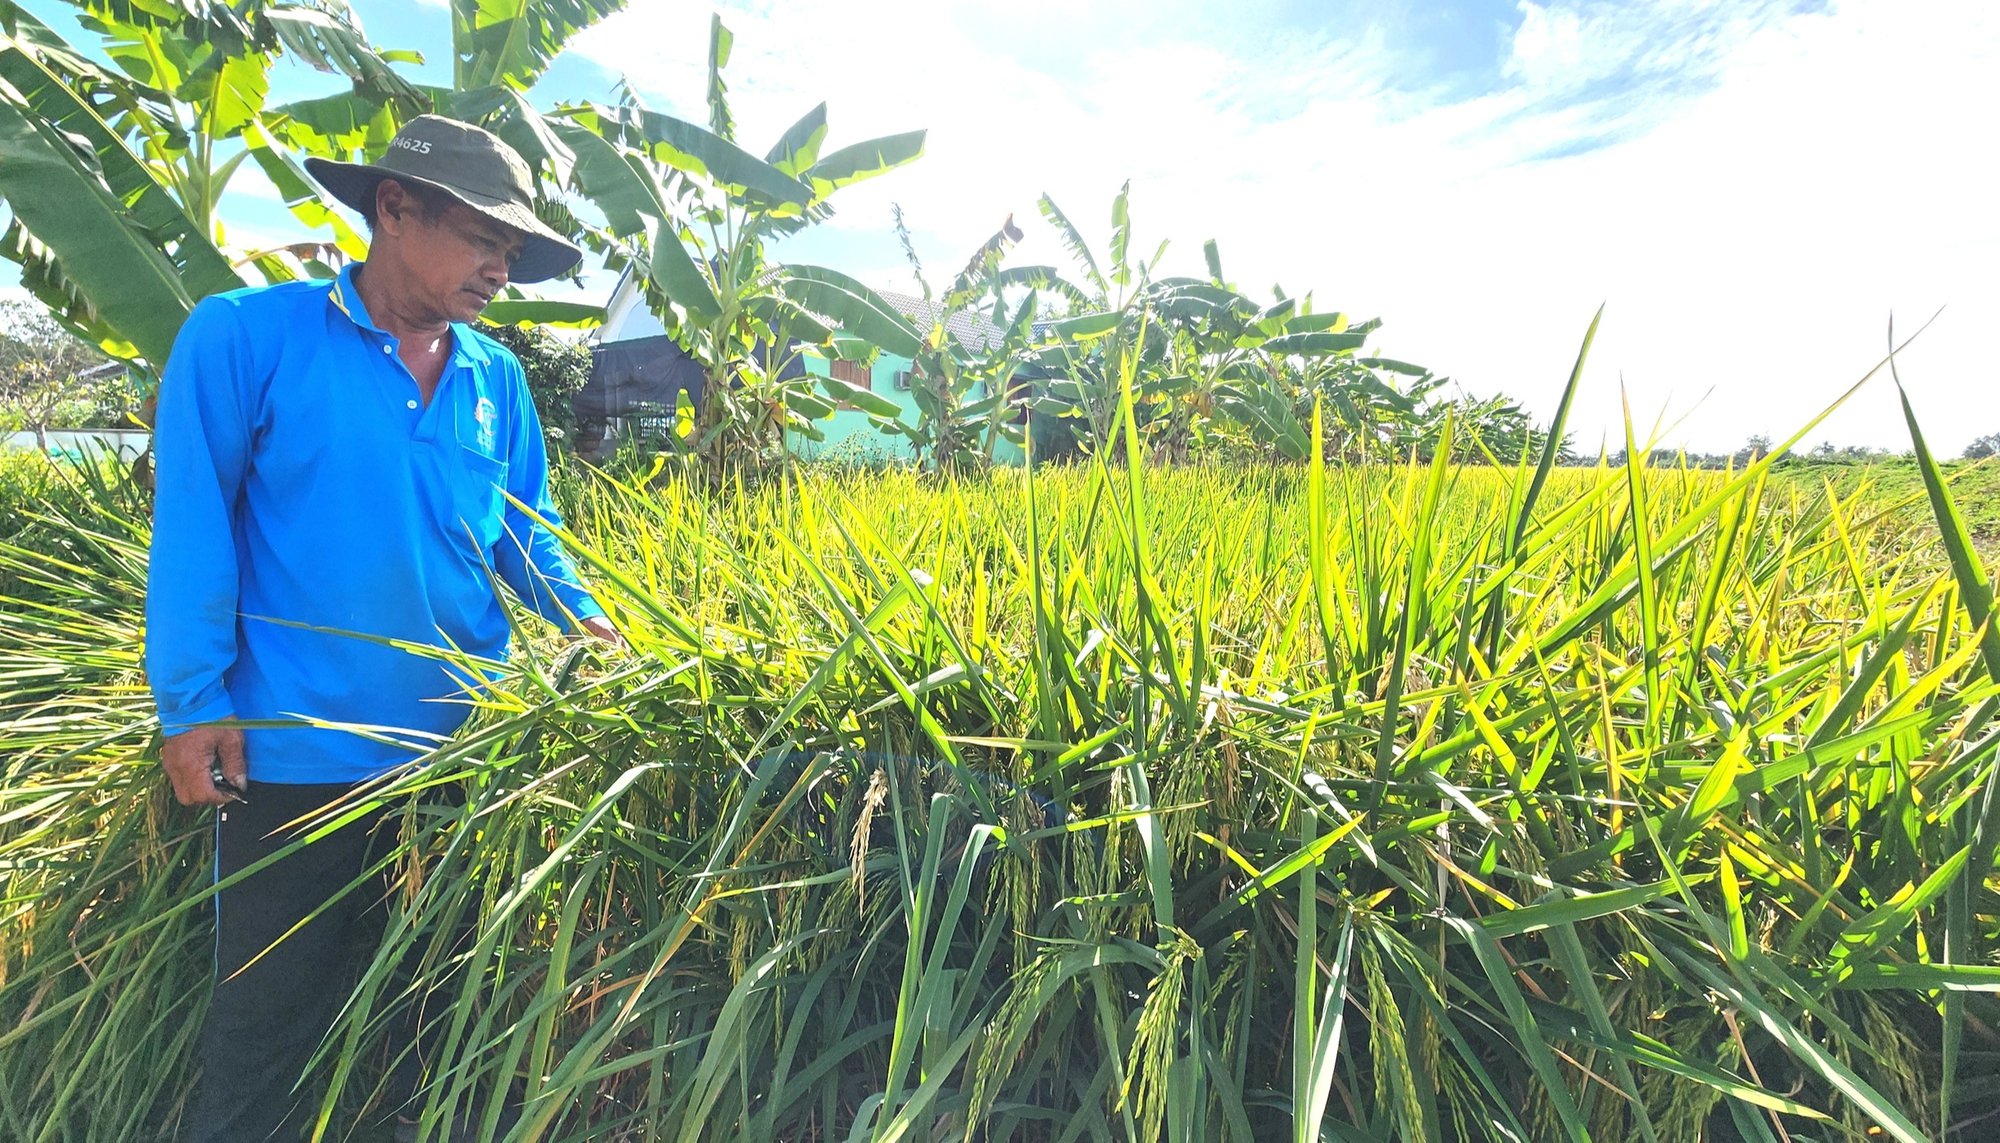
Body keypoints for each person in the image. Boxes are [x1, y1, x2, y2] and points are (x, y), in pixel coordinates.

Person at [145, 114, 619, 1141]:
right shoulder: (244, 337)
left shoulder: (496, 382)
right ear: (392, 209)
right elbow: (192, 528)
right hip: (293, 763)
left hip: (458, 762)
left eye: (512, 251)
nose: (500, 267)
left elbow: (527, 540)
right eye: (483, 238)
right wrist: (190, 705)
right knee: (268, 1028)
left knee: (426, 1027)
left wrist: (588, 622)